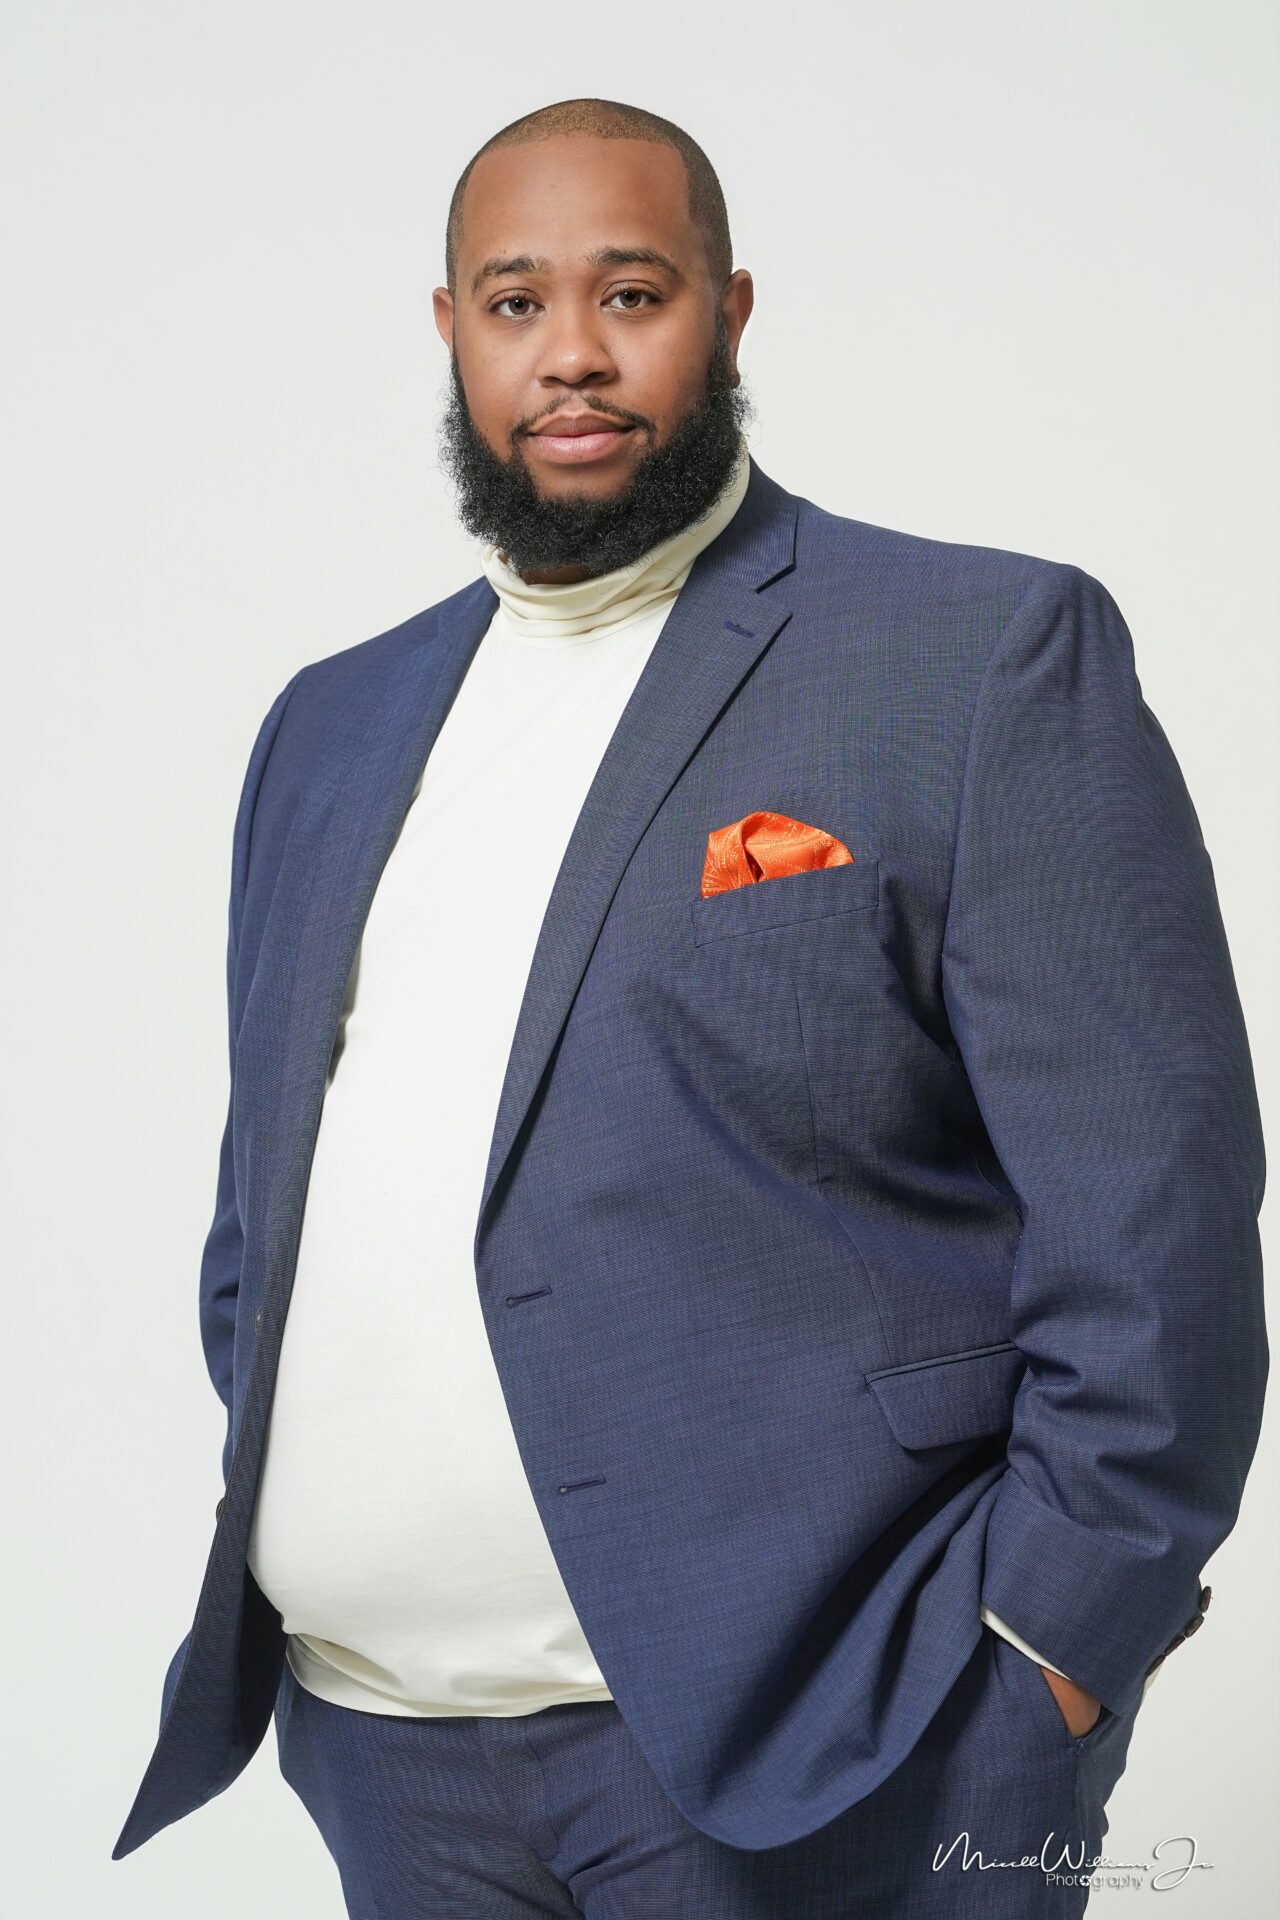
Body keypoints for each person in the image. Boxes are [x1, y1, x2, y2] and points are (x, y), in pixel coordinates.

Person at [112, 97, 1266, 1916]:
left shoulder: (973, 659)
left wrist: (1053, 1655)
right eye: (516, 302)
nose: (571, 352)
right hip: (384, 1755)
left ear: (729, 312)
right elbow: (271, 1211)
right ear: (451, 331)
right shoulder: (327, 727)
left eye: (632, 293)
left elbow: (1158, 1226)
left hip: (842, 1748)